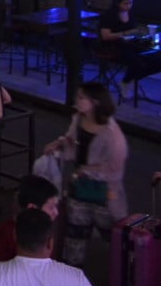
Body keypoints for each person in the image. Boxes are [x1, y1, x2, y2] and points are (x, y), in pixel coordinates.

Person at [42, 81, 128, 267]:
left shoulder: (112, 134)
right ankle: (71, 270)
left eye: (81, 97)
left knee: (111, 233)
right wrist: (59, 144)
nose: (77, 100)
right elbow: (71, 140)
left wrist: (87, 171)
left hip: (105, 194)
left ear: (95, 102)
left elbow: (114, 170)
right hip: (79, 187)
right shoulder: (78, 119)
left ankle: (124, 274)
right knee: (74, 233)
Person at [0, 175, 61, 265]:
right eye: (51, 207)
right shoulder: (3, 238)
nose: (56, 212)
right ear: (32, 208)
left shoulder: (47, 230)